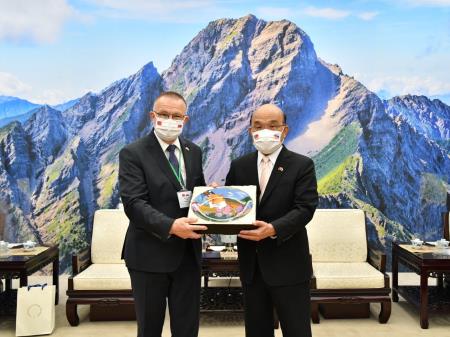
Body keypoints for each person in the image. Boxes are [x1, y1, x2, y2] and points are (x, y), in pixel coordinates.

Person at [119, 91, 207, 337]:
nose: (170, 120)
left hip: (188, 255)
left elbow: (195, 192)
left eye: (176, 115)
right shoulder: (133, 153)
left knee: (187, 327)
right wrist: (171, 226)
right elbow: (134, 204)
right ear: (152, 116)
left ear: (185, 120)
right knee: (149, 328)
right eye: (164, 114)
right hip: (149, 255)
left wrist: (208, 201)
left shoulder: (194, 151)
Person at [225, 104, 318, 337]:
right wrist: (216, 198)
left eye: (273, 126)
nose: (265, 130)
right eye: (258, 126)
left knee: (296, 330)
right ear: (250, 131)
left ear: (284, 131)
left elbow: (305, 208)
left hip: (289, 265)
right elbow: (231, 207)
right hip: (252, 266)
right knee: (256, 331)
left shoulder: (301, 165)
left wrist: (273, 229)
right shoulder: (240, 166)